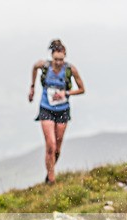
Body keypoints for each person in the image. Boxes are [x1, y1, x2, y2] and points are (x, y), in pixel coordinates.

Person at [28, 39, 85, 184]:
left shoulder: (70, 70)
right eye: (56, 59)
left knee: (57, 149)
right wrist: (32, 87)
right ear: (51, 56)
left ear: (65, 57)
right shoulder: (44, 66)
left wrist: (66, 93)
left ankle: (49, 173)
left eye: (61, 59)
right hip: (46, 108)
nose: (58, 62)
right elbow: (34, 67)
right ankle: (51, 180)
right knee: (50, 145)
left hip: (63, 110)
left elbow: (82, 89)